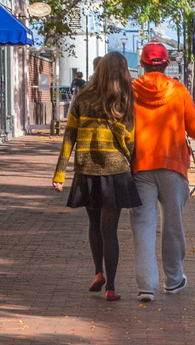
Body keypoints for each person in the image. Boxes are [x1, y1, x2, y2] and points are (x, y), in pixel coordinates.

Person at [52, 52, 141, 301]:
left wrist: (59, 173)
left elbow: (69, 136)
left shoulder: (82, 97)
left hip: (87, 172)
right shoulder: (125, 100)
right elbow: (129, 141)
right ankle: (111, 288)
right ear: (123, 72)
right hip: (116, 172)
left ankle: (98, 272)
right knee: (110, 229)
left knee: (94, 225)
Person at [130, 42, 195, 302]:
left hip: (140, 165)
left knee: (143, 226)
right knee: (173, 224)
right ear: (166, 63)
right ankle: (173, 280)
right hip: (173, 165)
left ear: (142, 64)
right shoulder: (179, 91)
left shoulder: (131, 91)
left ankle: (146, 285)